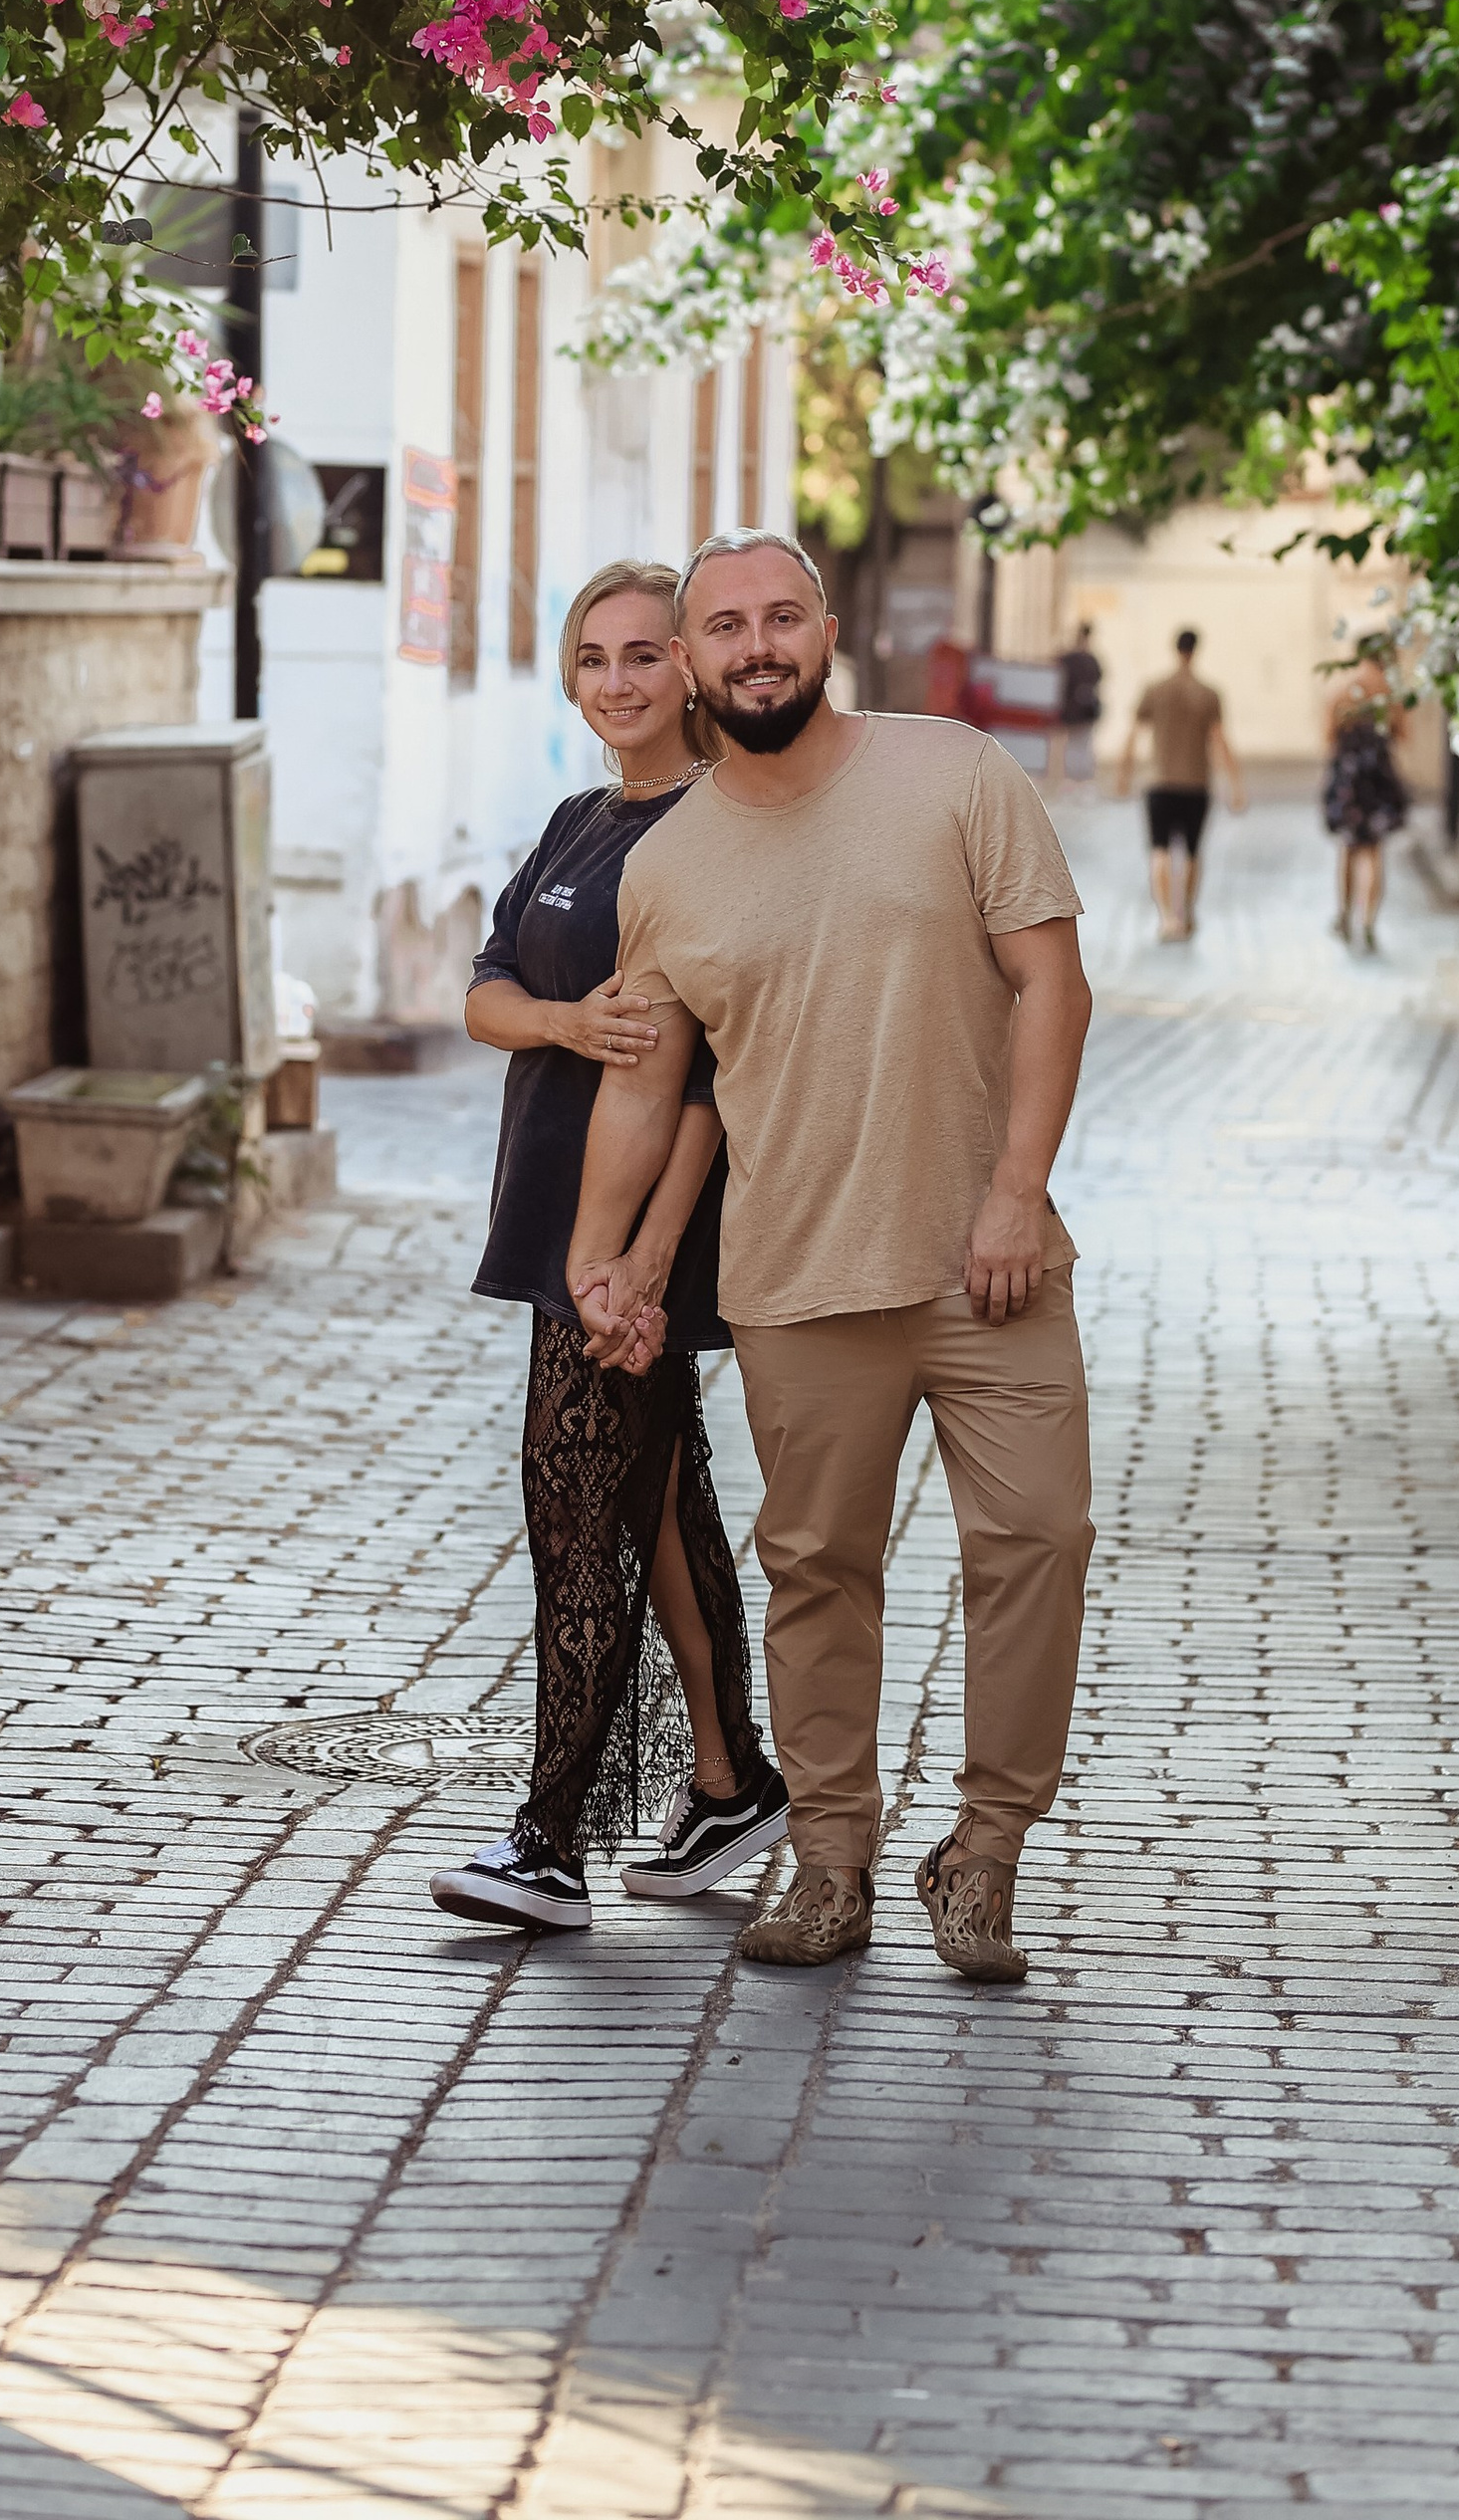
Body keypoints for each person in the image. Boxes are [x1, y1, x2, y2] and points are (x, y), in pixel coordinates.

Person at [561, 530, 1095, 1987]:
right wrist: (604, 1259)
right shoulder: (666, 866)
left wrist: (1016, 1193)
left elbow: (1053, 982)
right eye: (725, 627)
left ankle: (984, 1854)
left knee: (1040, 1541)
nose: (758, 647)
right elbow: (645, 1086)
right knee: (817, 1573)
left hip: (990, 1264)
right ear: (691, 660)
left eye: (781, 617)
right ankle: (833, 1857)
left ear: (826, 630)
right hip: (796, 1275)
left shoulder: (956, 775)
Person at [430, 560, 786, 1937]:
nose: (618, 680)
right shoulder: (582, 819)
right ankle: (731, 1780)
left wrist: (640, 1262)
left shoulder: (719, 825)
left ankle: (552, 1838)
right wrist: (564, 1024)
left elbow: (714, 1077)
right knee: (651, 1498)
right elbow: (484, 991)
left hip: (639, 1231)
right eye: (594, 658)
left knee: (575, 1505)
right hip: (556, 1205)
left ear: (689, 668)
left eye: (645, 653)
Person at [1115, 626, 1245, 942]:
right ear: (1196, 650)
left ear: (1175, 649)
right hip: (1196, 783)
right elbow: (1219, 740)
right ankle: (1185, 911)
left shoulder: (1155, 689)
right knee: (1191, 852)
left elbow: (1134, 733)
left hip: (1160, 781)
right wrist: (1235, 784)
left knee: (1159, 850)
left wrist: (1124, 773)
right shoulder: (1208, 693)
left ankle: (1166, 918)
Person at [1323, 647, 1410, 949]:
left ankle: (1345, 914)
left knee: (1348, 847)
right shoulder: (1389, 692)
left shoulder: (1342, 690)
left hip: (1348, 775)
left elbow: (1328, 735)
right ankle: (1368, 920)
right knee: (1373, 850)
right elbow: (1403, 734)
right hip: (1377, 777)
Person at [1058, 622, 1102, 788]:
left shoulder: (1086, 660)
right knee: (1077, 745)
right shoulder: (1080, 660)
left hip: (1082, 710)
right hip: (1076, 710)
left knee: (1081, 745)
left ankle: (1079, 779)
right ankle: (1074, 779)